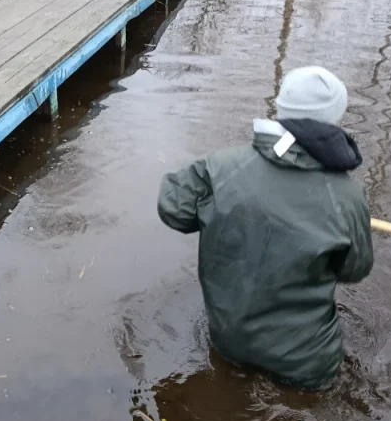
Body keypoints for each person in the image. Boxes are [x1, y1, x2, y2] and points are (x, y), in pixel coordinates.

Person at [157, 66, 373, 389]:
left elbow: (173, 209)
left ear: (282, 108)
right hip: (308, 366)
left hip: (227, 344)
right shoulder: (348, 196)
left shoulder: (220, 169)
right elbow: (354, 270)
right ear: (334, 119)